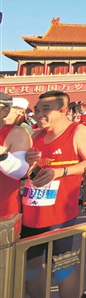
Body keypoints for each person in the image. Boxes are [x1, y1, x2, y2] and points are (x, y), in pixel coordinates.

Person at [22, 91, 86, 298]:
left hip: (60, 213)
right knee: (31, 265)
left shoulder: (78, 131)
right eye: (37, 110)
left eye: (45, 110)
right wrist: (29, 164)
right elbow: (34, 174)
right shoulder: (36, 136)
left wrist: (61, 172)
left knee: (61, 266)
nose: (39, 115)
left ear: (63, 110)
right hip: (32, 210)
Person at [0, 93, 32, 222]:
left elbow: (19, 172)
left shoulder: (17, 132)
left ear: (5, 111)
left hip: (3, 210)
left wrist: (2, 156)